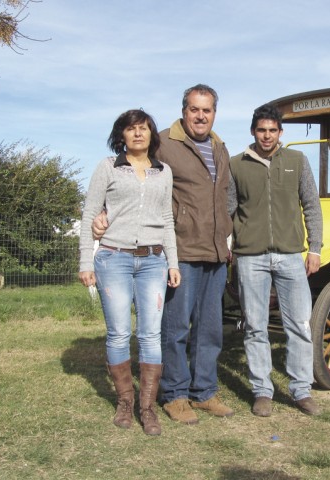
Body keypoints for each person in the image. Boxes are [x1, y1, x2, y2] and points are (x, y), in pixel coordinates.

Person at [92, 84, 234, 425]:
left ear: (214, 113)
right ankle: (175, 394)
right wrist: (104, 214)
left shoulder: (220, 147)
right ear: (184, 110)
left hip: (215, 250)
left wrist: (227, 228)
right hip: (180, 247)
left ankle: (204, 392)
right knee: (174, 328)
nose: (201, 116)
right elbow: (135, 175)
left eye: (207, 110)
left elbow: (226, 193)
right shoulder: (165, 143)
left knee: (210, 328)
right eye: (194, 109)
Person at [79, 109, 181, 436]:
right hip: (114, 259)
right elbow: (89, 215)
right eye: (131, 129)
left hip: (153, 260)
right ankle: (125, 401)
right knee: (119, 333)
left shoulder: (164, 172)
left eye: (144, 128)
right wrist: (85, 261)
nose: (138, 134)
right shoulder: (107, 167)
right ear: (121, 135)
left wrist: (173, 262)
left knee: (151, 334)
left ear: (152, 135)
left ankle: (147, 409)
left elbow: (167, 219)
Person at [228, 103, 323, 417]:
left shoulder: (297, 160)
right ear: (253, 132)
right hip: (250, 257)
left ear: (280, 133)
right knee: (255, 327)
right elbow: (228, 210)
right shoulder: (236, 165)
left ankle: (300, 390)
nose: (266, 136)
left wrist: (315, 249)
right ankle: (262, 391)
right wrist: (228, 246)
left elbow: (311, 205)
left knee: (299, 325)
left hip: (290, 256)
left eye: (272, 130)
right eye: (261, 130)